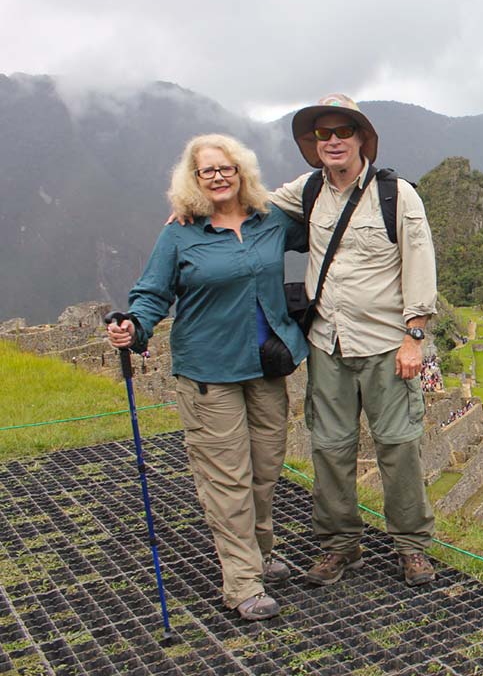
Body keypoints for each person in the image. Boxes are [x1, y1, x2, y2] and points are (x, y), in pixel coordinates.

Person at [106, 134, 308, 621]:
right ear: (193, 180)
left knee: (265, 469)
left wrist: (388, 190)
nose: (218, 177)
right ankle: (241, 582)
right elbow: (153, 293)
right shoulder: (180, 234)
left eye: (226, 168)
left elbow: (327, 211)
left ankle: (260, 552)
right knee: (226, 478)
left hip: (265, 366)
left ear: (242, 172)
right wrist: (134, 326)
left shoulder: (271, 221)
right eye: (206, 171)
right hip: (208, 372)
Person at [270, 94, 438, 588]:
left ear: (362, 138)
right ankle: (340, 545)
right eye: (324, 133)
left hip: (387, 345)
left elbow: (419, 263)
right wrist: (190, 210)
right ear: (314, 143)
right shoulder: (306, 193)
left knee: (399, 447)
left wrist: (415, 337)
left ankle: (411, 546)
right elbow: (248, 201)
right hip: (328, 344)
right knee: (329, 447)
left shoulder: (397, 195)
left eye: (344, 131)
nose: (334, 140)